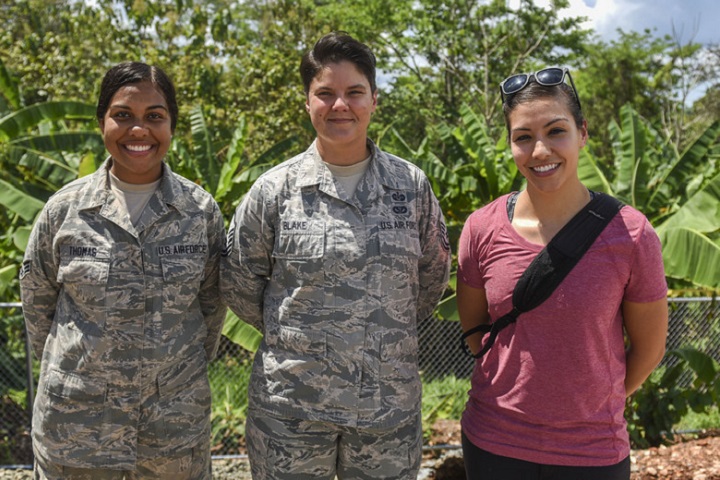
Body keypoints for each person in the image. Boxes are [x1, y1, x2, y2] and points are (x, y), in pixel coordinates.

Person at [221, 31, 451, 479]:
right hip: (292, 411)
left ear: (374, 100)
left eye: (354, 93)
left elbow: (430, 279)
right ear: (307, 102)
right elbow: (239, 283)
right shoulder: (274, 191)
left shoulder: (410, 187)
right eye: (325, 93)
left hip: (387, 413)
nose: (339, 105)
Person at [457, 67, 668, 480]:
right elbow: (475, 328)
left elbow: (649, 349)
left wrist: (593, 403)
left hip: (591, 451)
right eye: (523, 137)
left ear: (582, 133)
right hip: (493, 442)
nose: (540, 151)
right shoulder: (481, 228)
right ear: (511, 144)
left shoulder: (631, 234)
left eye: (556, 131)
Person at [19, 61, 226, 480]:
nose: (139, 130)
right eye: (123, 115)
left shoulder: (199, 212)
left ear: (172, 125)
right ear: (101, 122)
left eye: (154, 116)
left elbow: (211, 308)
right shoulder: (64, 210)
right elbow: (38, 307)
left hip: (173, 434)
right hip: (77, 432)